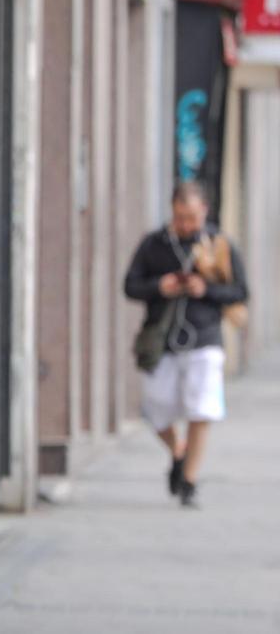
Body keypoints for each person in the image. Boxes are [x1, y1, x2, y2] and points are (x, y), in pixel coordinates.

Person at [123, 181, 248, 508]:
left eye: (191, 217)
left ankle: (189, 481)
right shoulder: (154, 245)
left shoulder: (219, 245)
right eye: (180, 217)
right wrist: (159, 287)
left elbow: (240, 291)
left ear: (204, 211)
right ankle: (178, 450)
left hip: (204, 337)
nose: (186, 225)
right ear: (172, 212)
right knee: (155, 408)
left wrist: (204, 290)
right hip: (162, 341)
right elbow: (130, 285)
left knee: (201, 408)